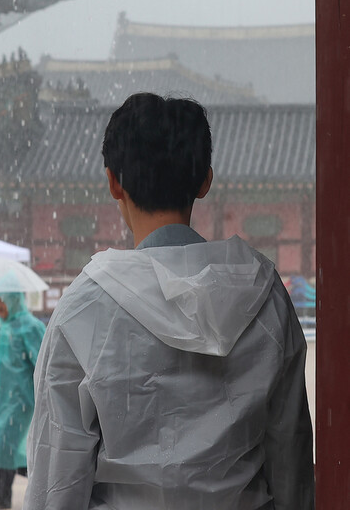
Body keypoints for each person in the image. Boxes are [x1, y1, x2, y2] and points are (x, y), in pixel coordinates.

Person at [25, 93, 314, 510]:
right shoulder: (266, 298)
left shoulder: (84, 309)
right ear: (205, 181)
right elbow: (292, 466)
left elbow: (56, 482)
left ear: (113, 182)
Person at [0, 278, 46, 510]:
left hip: (20, 401)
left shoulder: (31, 327)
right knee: (5, 451)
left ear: (15, 300)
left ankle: (2, 500)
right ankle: (10, 496)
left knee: (4, 448)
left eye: (3, 300)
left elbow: (43, 364)